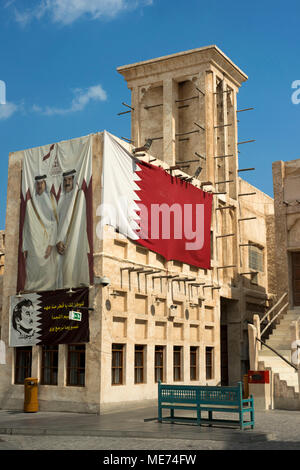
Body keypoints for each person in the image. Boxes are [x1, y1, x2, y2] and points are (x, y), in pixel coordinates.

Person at [22, 174, 58, 291]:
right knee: (32, 270)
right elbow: (26, 227)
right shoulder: (30, 204)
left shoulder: (51, 200)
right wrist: (25, 247)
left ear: (45, 184)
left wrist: (51, 244)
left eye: (41, 183)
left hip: (46, 242)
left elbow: (55, 223)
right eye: (37, 184)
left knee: (48, 272)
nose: (39, 186)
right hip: (33, 244)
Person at [56, 169, 90, 289]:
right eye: (65, 180)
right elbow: (57, 224)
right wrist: (58, 240)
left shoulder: (79, 196)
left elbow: (77, 221)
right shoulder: (60, 200)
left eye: (70, 179)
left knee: (73, 271)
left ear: (74, 180)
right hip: (60, 244)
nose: (67, 182)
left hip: (75, 239)